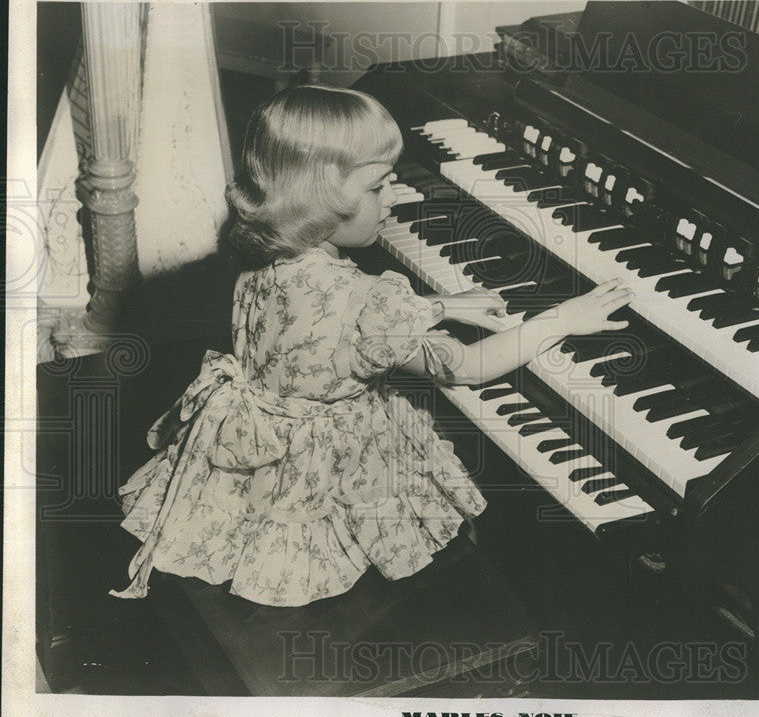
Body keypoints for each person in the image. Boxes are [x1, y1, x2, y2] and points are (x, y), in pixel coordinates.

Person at [109, 84, 634, 607]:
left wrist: (444, 305)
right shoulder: (366, 302)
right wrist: (561, 319)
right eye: (380, 186)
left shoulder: (265, 255)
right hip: (321, 466)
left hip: (259, 440)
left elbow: (323, 322)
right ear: (322, 197)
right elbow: (469, 367)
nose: (396, 197)